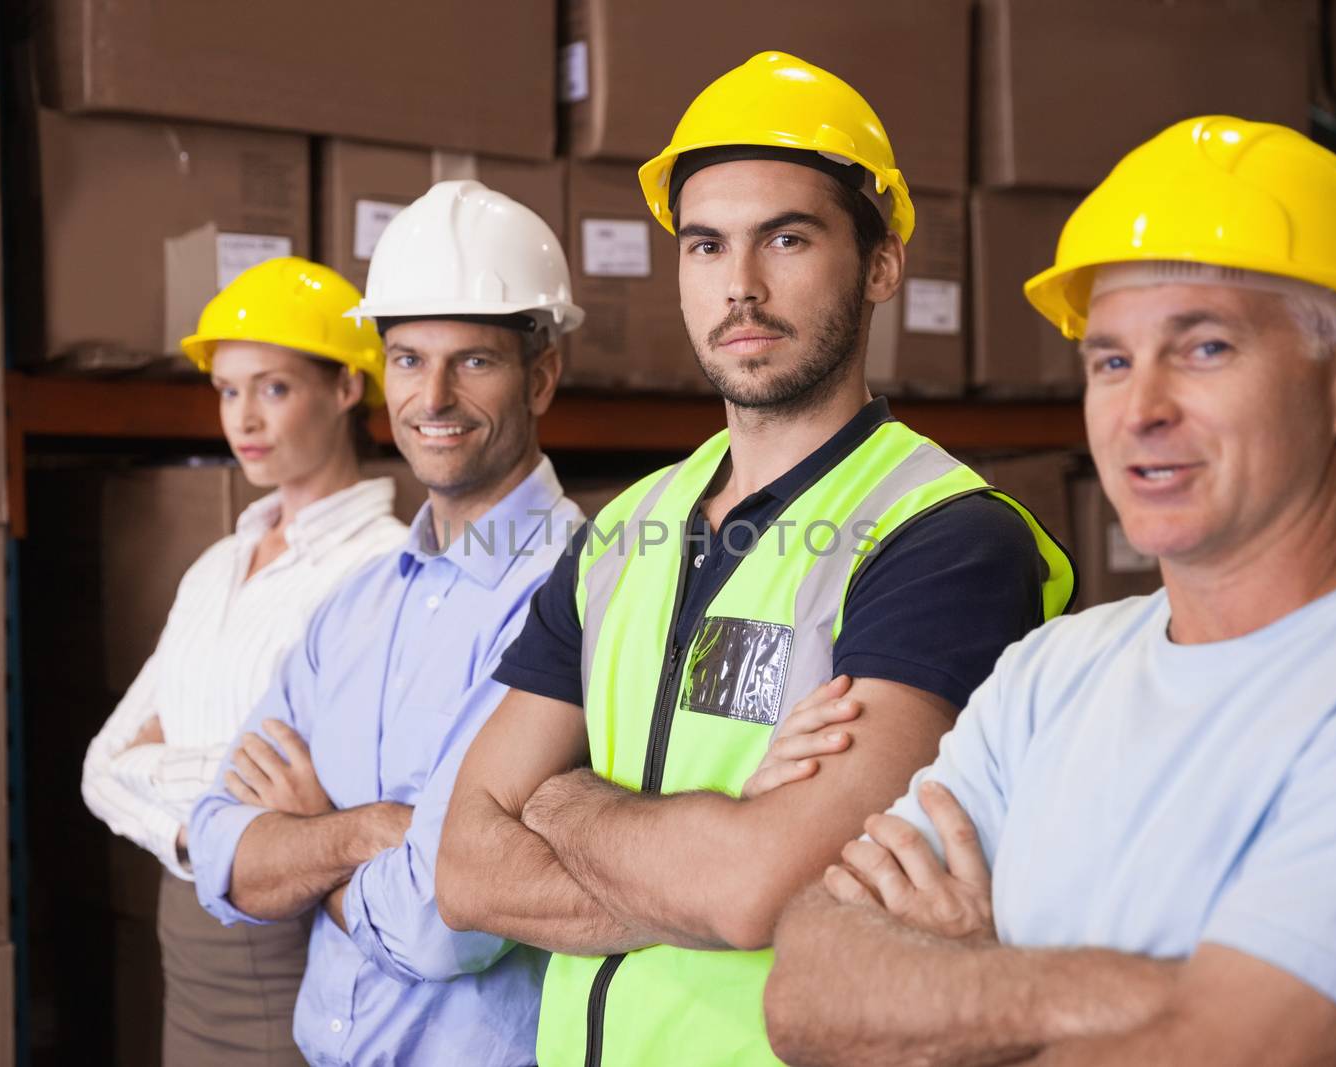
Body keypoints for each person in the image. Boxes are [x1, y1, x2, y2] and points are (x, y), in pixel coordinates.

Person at [435, 52, 1076, 1067]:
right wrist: (720, 849)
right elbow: (464, 866)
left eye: (786, 237)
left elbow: (759, 888)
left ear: (880, 264)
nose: (739, 286)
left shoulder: (945, 537)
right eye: (704, 245)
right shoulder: (621, 532)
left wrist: (562, 799)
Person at [765, 115, 1336, 1067]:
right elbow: (806, 987)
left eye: (1206, 347)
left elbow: (1229, 1049)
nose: (1143, 409)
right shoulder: (1054, 670)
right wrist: (1117, 991)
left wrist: (962, 986)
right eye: (1112, 361)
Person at [187, 180, 585, 1066]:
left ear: (543, 376)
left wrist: (307, 835)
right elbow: (219, 848)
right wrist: (367, 829)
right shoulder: (357, 601)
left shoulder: (577, 592)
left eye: (473, 362)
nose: (432, 397)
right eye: (407, 360)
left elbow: (443, 917)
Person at [81, 256, 408, 1063]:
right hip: (186, 944)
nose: (245, 419)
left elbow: (350, 798)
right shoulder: (217, 565)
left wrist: (165, 768)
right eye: (228, 391)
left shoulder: (381, 569)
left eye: (274, 387)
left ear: (344, 389)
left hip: (286, 947)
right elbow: (101, 764)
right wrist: (227, 816)